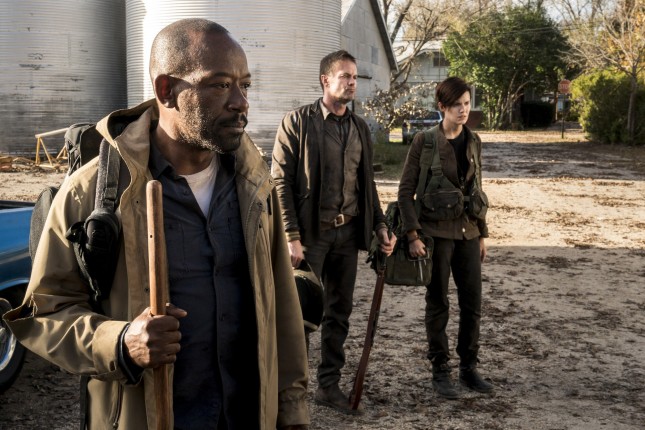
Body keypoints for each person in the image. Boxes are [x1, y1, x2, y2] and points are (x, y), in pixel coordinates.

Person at [4, 19, 309, 429]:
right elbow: (44, 314)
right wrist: (120, 342)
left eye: (245, 85)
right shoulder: (93, 192)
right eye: (220, 85)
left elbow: (282, 310)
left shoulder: (255, 185)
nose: (241, 102)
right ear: (166, 90)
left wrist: (291, 411)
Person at [271, 50, 395, 414]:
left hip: (348, 234)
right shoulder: (297, 122)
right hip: (310, 236)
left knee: (339, 312)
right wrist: (291, 235)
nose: (352, 83)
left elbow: (366, 185)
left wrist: (380, 225)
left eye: (354, 77)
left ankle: (328, 386)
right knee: (301, 315)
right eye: (345, 76)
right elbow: (280, 182)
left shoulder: (360, 128)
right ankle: (291, 393)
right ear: (325, 80)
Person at [397, 76, 493, 400]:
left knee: (472, 304)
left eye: (467, 104)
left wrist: (482, 234)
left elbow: (477, 189)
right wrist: (413, 235)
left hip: (469, 234)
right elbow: (405, 192)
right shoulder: (424, 141)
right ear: (442, 107)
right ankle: (440, 370)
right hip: (436, 235)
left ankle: (469, 368)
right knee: (438, 303)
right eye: (457, 105)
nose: (464, 110)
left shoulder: (474, 140)